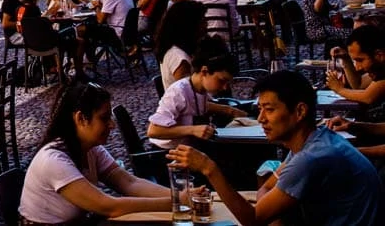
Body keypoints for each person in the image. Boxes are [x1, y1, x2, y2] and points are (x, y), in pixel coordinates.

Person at [168, 70, 382, 226]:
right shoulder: (313, 141)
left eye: (269, 109)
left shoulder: (312, 157)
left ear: (299, 111)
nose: (261, 119)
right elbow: (268, 186)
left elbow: (252, 220)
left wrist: (209, 168)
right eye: (259, 109)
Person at [17, 82, 171, 223]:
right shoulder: (53, 160)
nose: (112, 124)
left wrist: (181, 195)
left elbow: (130, 183)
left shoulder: (91, 149)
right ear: (81, 118)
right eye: (104, 118)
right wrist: (177, 201)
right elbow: (110, 206)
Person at [147, 37, 242, 149]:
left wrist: (230, 110)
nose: (225, 87)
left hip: (191, 147)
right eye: (222, 81)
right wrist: (192, 130)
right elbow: (153, 130)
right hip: (169, 152)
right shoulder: (178, 92)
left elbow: (198, 105)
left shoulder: (200, 89)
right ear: (204, 71)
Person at [326, 25, 385, 109]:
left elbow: (368, 97)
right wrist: (346, 59)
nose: (357, 68)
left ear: (379, 55)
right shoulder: (379, 70)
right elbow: (359, 84)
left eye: (360, 60)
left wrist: (339, 90)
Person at [155, 0, 206, 88]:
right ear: (189, 25)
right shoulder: (179, 58)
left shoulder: (178, 48)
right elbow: (188, 95)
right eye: (202, 21)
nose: (206, 25)